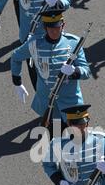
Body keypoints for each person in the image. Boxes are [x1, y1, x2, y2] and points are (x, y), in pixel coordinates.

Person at [11, 7, 90, 135]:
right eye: (50, 27)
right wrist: (17, 81)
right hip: (47, 102)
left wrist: (74, 71)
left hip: (71, 103)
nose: (54, 31)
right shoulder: (34, 44)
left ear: (63, 25)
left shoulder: (74, 43)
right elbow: (15, 57)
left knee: (78, 140)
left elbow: (86, 72)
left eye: (57, 27)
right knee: (54, 142)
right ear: (44, 27)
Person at [0, 0, 72, 89]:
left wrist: (59, 2)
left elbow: (67, 0)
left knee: (57, 73)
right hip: (28, 35)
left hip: (53, 36)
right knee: (35, 76)